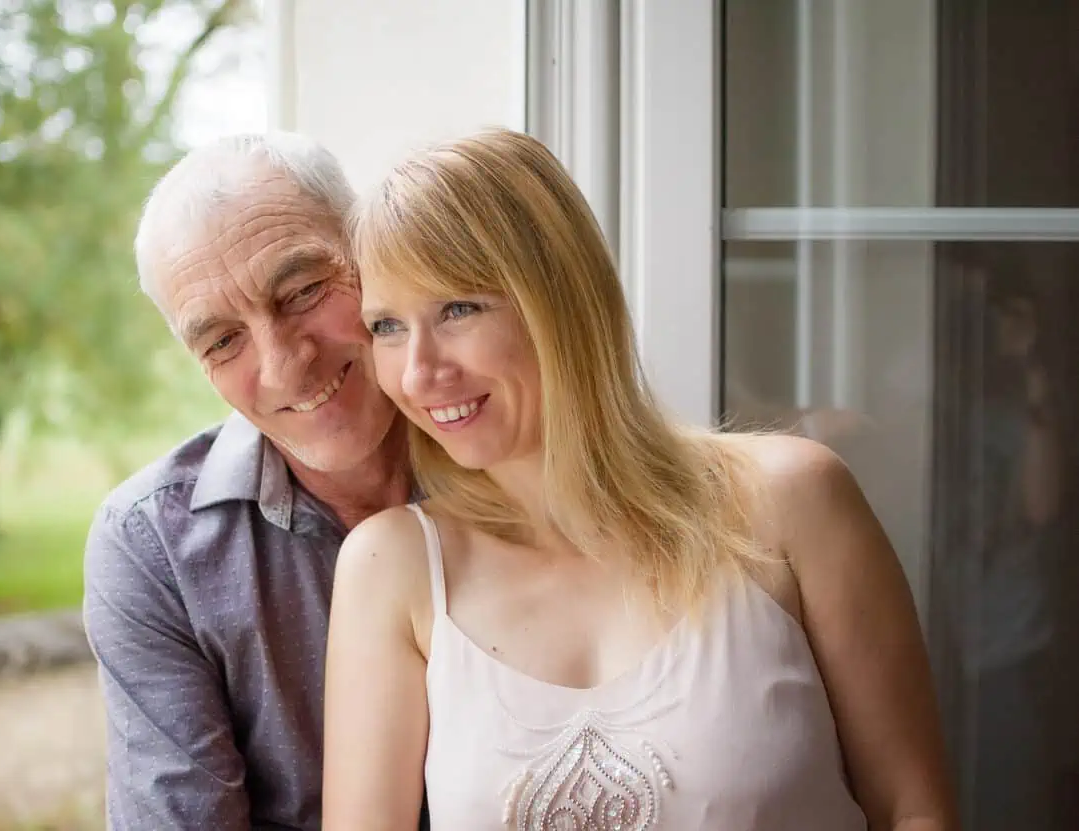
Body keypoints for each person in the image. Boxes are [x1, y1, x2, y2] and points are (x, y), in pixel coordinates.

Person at [322, 127, 957, 830]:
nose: (419, 372)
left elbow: (913, 810)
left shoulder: (788, 500)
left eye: (458, 309)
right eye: (386, 326)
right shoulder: (393, 568)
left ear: (561, 299)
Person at [82, 132, 416, 829]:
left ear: (370, 249)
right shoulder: (152, 547)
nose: (285, 363)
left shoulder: (512, 463)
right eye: (223, 340)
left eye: (301, 290)